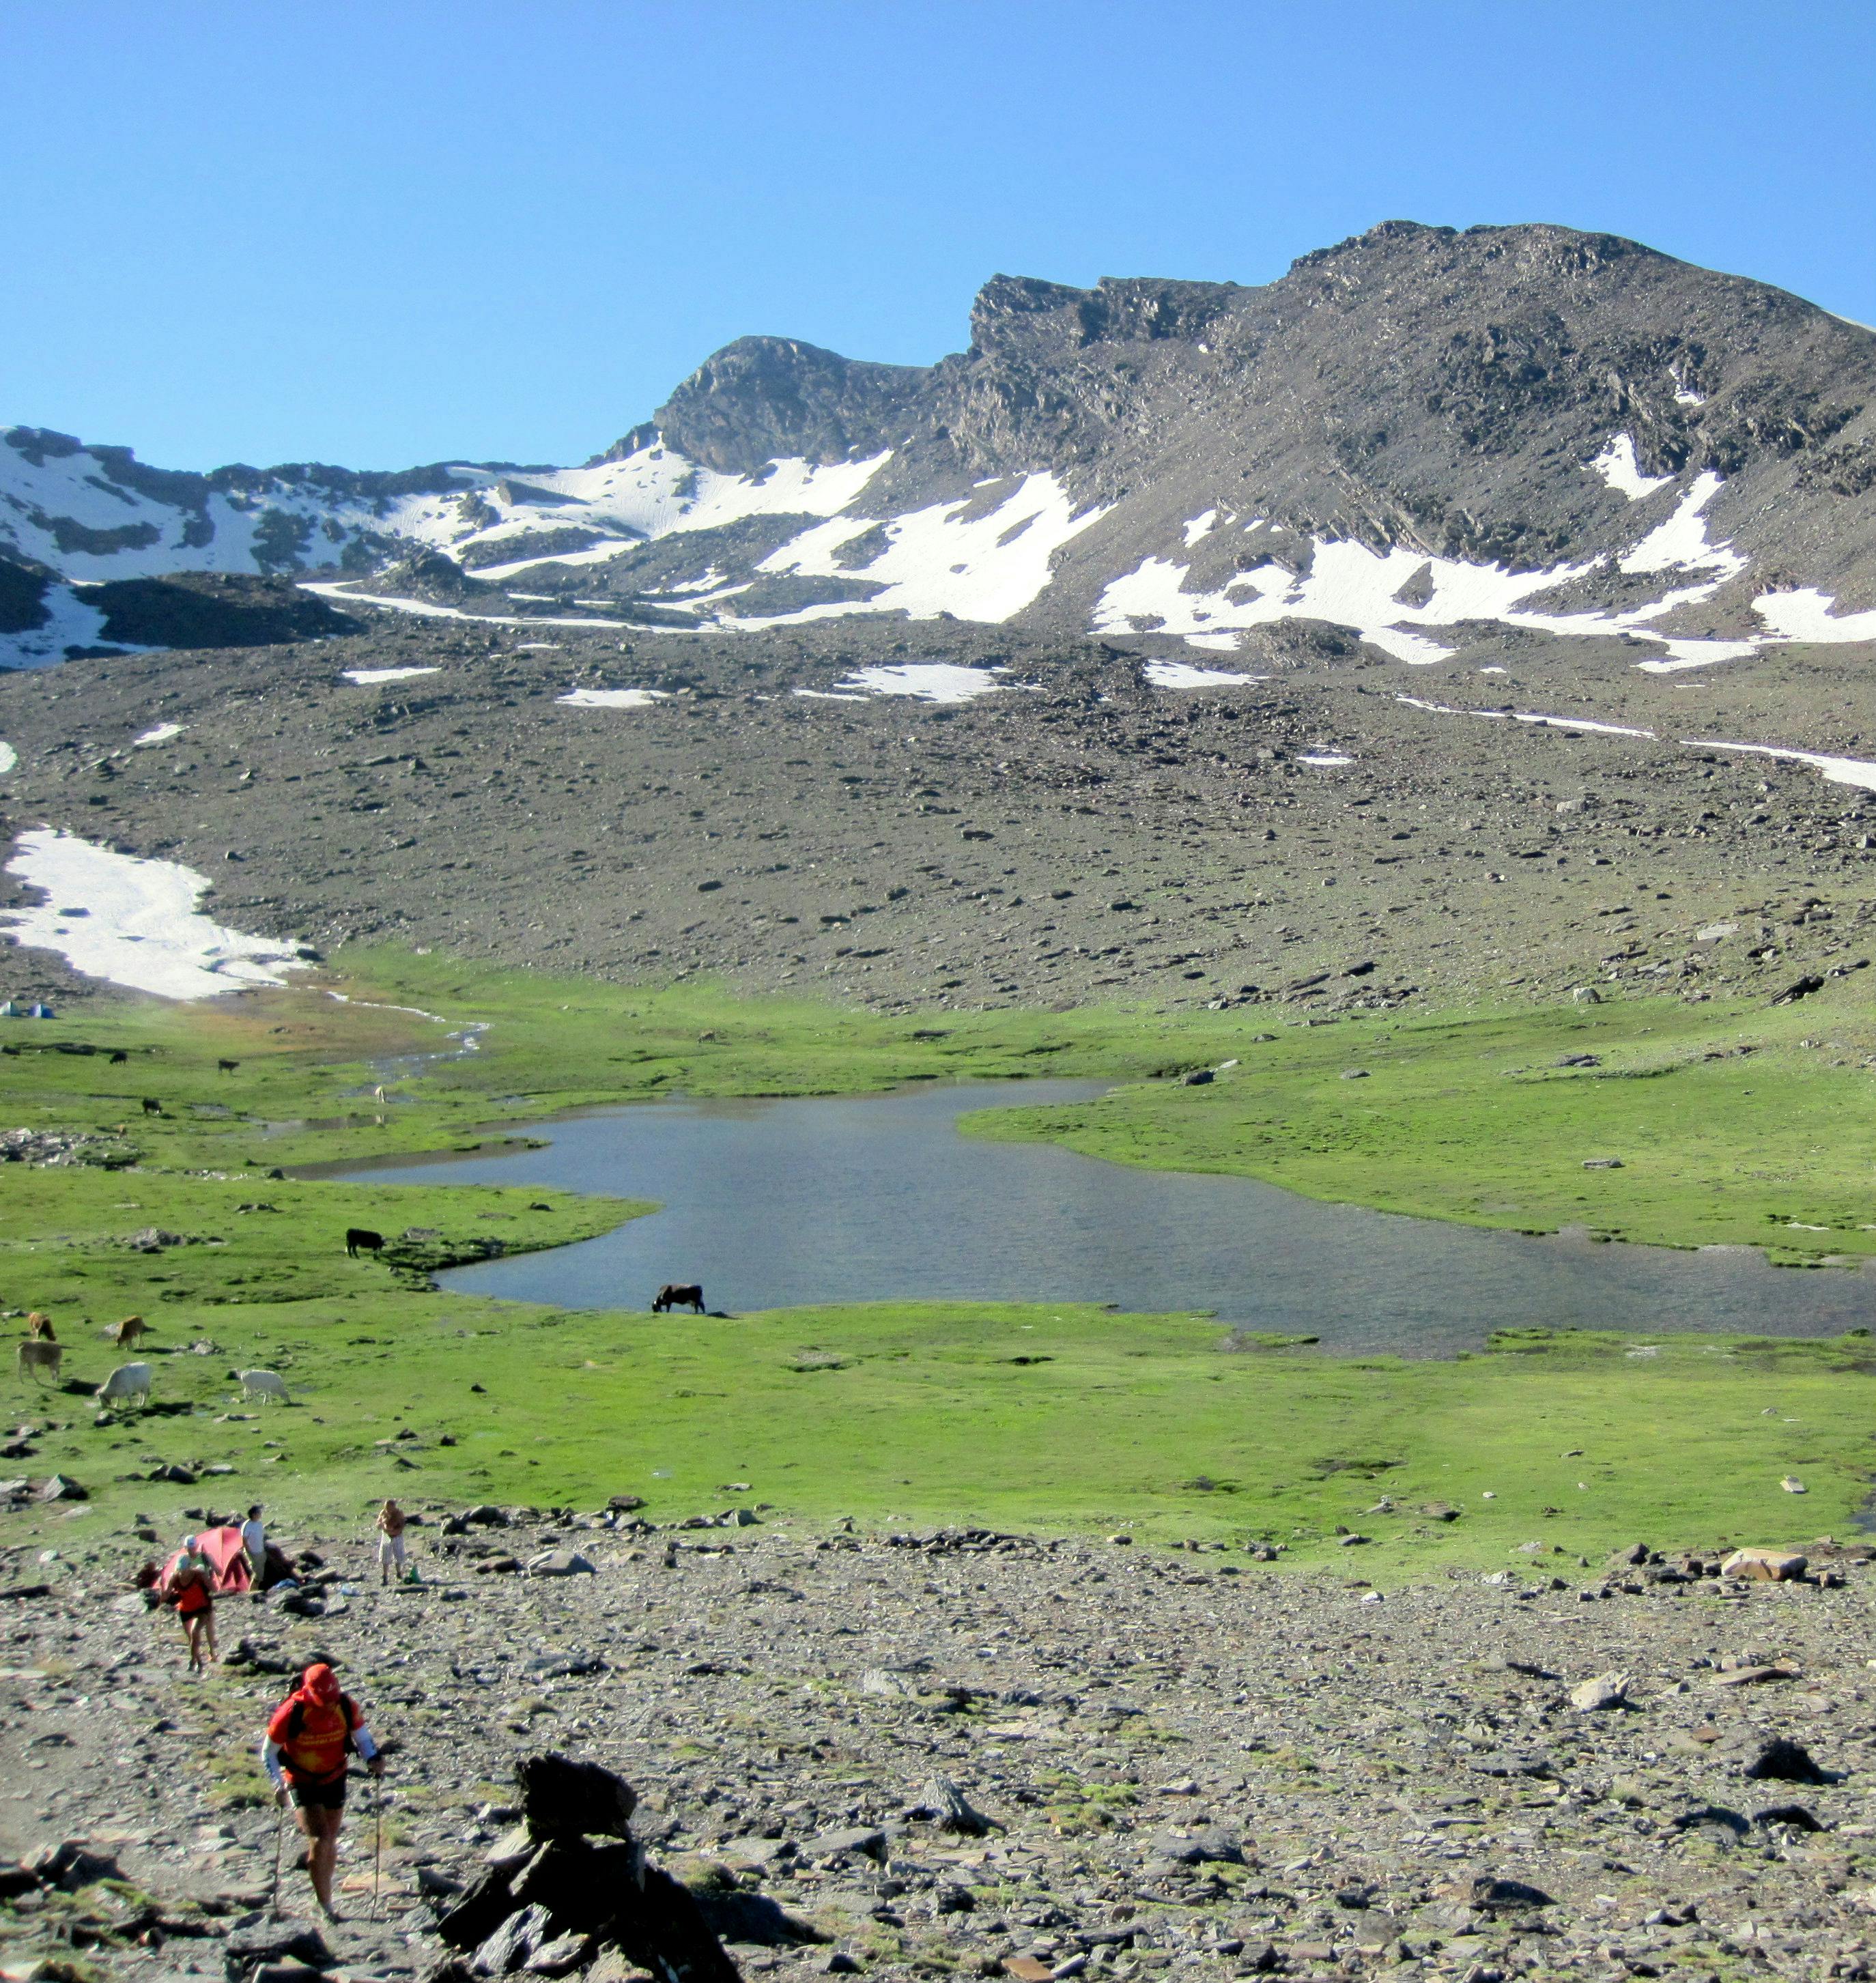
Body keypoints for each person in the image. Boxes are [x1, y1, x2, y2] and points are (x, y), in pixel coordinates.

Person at [262, 1662, 385, 1922]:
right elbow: (269, 1752)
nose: (328, 1705)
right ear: (308, 1692)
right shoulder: (291, 1712)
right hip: (300, 1780)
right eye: (323, 1700)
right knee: (320, 1839)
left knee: (330, 1840)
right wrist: (278, 1784)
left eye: (331, 1699)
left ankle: (323, 1892)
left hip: (334, 1776)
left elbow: (362, 1738)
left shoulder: (345, 1706)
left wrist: (372, 1758)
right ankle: (326, 1906)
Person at [164, 1537, 217, 1672]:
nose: (182, 1573)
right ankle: (197, 1660)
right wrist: (162, 1589)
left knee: (197, 1631)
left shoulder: (200, 1569)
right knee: (191, 1638)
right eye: (180, 1571)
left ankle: (205, 1656)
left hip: (202, 1605)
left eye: (193, 1547)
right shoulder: (176, 1576)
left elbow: (214, 1587)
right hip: (186, 1606)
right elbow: (166, 1595)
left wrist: (207, 1579)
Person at [375, 1499, 408, 1585]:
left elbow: (402, 1526)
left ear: (394, 1507)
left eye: (390, 1508)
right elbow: (378, 1525)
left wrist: (394, 1532)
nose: (388, 1510)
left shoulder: (399, 1513)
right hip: (386, 1536)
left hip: (397, 1536)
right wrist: (382, 1523)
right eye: (386, 1508)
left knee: (399, 1555)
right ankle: (385, 1576)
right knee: (385, 1556)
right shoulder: (383, 1513)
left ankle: (399, 1573)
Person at [240, 1504, 266, 1582]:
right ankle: (252, 1592)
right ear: (254, 1514)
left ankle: (255, 1590)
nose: (261, 1514)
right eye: (259, 1513)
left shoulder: (259, 1523)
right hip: (253, 1553)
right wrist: (250, 1553)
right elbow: (244, 1540)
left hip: (261, 1552)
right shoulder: (247, 1525)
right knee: (257, 1577)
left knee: (260, 1575)